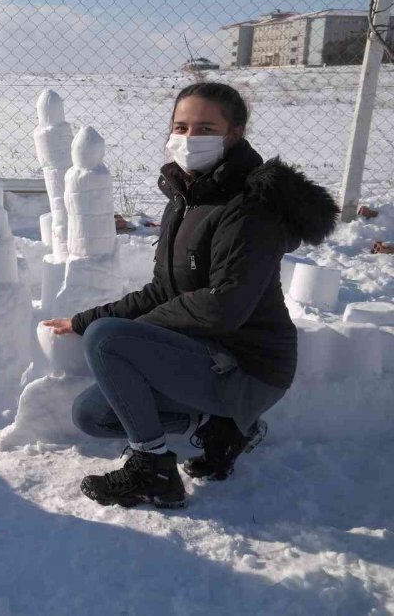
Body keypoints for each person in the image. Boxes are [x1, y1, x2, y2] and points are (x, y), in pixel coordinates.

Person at [44, 82, 339, 509]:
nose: (188, 138)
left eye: (204, 128)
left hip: (249, 365)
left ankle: (153, 469)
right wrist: (86, 321)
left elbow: (224, 307)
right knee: (92, 416)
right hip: (202, 353)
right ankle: (222, 427)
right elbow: (163, 290)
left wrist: (123, 334)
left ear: (233, 134)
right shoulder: (186, 198)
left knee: (110, 341)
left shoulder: (249, 208)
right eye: (180, 127)